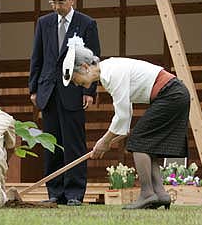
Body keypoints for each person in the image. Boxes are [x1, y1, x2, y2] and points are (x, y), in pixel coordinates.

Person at [65, 46, 190, 210]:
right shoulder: (109, 71)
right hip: (174, 94)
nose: (76, 83)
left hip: (171, 94)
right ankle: (160, 194)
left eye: (75, 79)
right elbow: (126, 113)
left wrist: (104, 140)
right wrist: (109, 140)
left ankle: (147, 193)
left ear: (84, 67)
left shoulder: (111, 73)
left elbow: (122, 116)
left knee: (139, 141)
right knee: (145, 144)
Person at [29, 0, 100, 206]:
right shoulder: (44, 23)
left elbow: (94, 58)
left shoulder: (86, 23)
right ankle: (55, 191)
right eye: (53, 2)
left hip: (75, 91)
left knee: (74, 143)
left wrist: (89, 91)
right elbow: (37, 56)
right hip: (48, 90)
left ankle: (74, 194)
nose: (56, 6)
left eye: (61, 2)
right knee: (51, 143)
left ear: (72, 0)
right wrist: (33, 88)